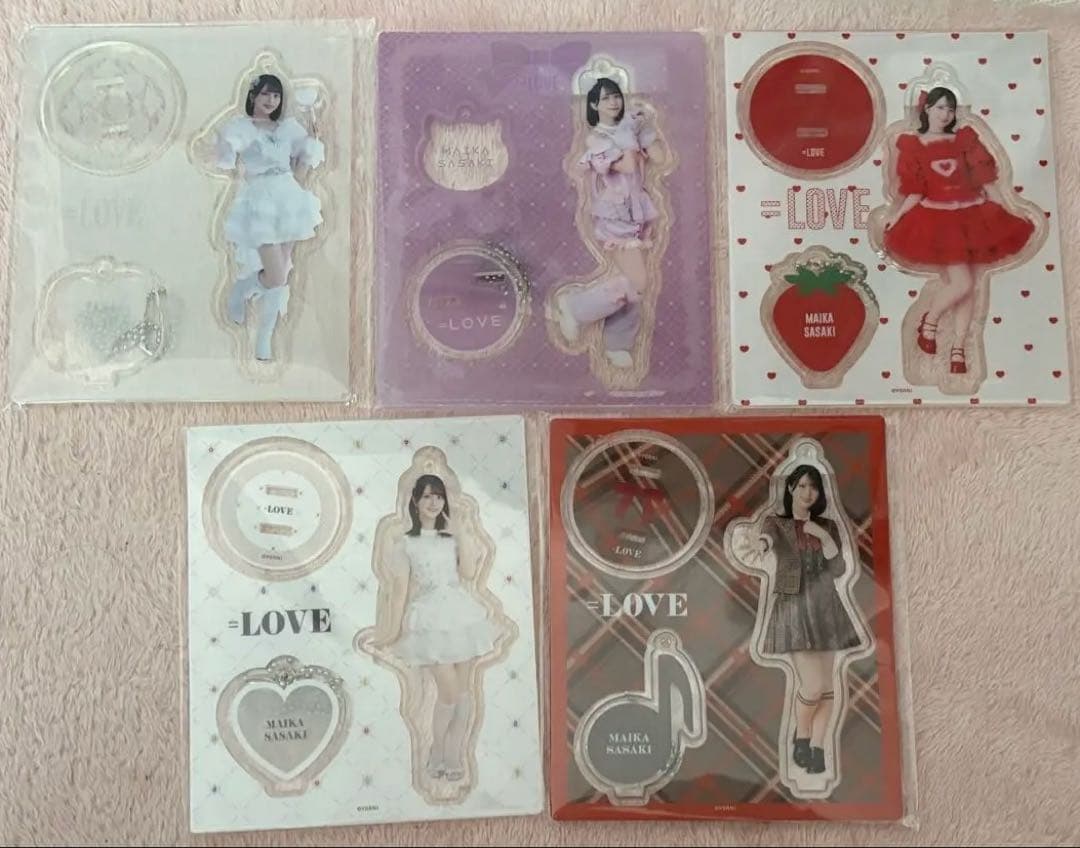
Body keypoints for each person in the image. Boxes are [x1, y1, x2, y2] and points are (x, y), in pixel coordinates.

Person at [881, 86, 1036, 375]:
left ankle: (959, 347)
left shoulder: (965, 140)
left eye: (950, 109)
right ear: (927, 109)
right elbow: (915, 190)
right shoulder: (913, 145)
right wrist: (898, 216)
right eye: (940, 107)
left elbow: (986, 181)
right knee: (962, 283)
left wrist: (1006, 209)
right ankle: (930, 321)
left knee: (969, 285)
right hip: (939, 220)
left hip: (973, 215)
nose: (946, 114)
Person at [367, 474, 501, 782]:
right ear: (415, 501)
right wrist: (390, 631)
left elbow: (468, 572)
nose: (433, 502)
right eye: (427, 496)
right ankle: (437, 749)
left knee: (464, 692)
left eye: (438, 496)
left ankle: (454, 754)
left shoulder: (450, 538)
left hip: (461, 615)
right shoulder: (405, 543)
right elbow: (399, 590)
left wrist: (461, 534)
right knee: (449, 693)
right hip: (429, 619)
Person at [753, 465, 862, 775]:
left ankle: (817, 749)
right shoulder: (777, 522)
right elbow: (767, 538)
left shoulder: (828, 525)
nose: (807, 492)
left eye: (813, 487)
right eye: (801, 486)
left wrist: (823, 536)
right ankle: (801, 737)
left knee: (827, 686)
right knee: (812, 686)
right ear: (790, 489)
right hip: (794, 607)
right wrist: (761, 544)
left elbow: (839, 569)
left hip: (827, 606)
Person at [550, 77, 661, 369]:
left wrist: (647, 129)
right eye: (606, 98)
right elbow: (626, 165)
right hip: (614, 218)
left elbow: (660, 158)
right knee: (638, 282)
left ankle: (617, 344)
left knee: (634, 288)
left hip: (635, 215)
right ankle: (575, 306)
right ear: (594, 105)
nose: (613, 102)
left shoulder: (628, 130)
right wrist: (629, 132)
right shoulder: (597, 139)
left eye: (616, 96)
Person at [214, 74, 325, 361]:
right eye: (265, 94)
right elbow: (225, 159)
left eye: (275, 96)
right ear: (253, 95)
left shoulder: (288, 129)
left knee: (282, 274)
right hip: (260, 199)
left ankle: (261, 330)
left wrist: (313, 141)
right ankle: (247, 300)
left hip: (288, 198)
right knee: (276, 275)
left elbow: (300, 170)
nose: (270, 100)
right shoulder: (242, 128)